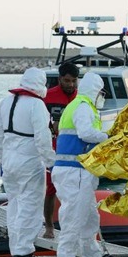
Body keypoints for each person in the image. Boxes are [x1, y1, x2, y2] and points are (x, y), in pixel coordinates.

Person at [52, 72, 118, 257]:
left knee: (89, 217)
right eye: (101, 92)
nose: (102, 96)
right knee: (73, 217)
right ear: (95, 90)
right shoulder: (83, 107)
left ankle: (91, 256)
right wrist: (108, 137)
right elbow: (85, 133)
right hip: (75, 172)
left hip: (78, 172)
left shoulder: (80, 105)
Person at [0, 67, 55, 257]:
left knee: (14, 206)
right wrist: (51, 163)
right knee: (30, 207)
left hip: (9, 161)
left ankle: (16, 251)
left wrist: (2, 160)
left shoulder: (5, 102)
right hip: (29, 162)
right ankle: (25, 253)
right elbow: (43, 138)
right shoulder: (36, 105)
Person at [41, 62, 79, 238]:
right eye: (67, 80)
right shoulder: (47, 97)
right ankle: (49, 226)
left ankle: (71, 227)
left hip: (75, 151)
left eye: (73, 81)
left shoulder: (81, 98)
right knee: (51, 189)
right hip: (53, 149)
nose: (70, 84)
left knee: (73, 189)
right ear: (59, 79)